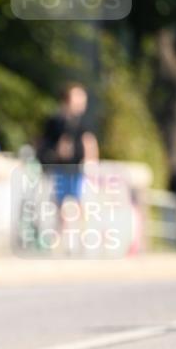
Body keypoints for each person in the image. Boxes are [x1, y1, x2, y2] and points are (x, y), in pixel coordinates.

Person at [37, 82, 99, 237]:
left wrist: (91, 164)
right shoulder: (55, 122)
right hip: (58, 168)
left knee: (79, 203)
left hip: (77, 169)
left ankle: (83, 236)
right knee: (60, 204)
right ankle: (59, 236)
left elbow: (89, 143)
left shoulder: (83, 123)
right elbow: (43, 143)